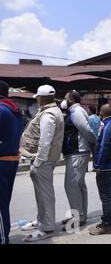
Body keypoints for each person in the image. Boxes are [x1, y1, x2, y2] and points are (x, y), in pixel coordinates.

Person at [21, 85, 64, 242]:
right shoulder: (51, 111)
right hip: (45, 160)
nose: (37, 99)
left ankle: (47, 228)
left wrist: (38, 161)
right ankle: (42, 221)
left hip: (44, 160)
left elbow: (45, 141)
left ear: (42, 98)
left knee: (44, 194)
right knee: (43, 194)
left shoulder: (48, 115)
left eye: (38, 97)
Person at [61, 90, 97, 229]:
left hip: (78, 151)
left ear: (71, 99)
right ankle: (80, 215)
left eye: (66, 97)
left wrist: (92, 142)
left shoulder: (76, 112)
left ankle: (78, 218)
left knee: (72, 185)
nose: (64, 100)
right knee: (78, 185)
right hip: (77, 152)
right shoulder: (74, 111)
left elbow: (86, 130)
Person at [89, 104, 111, 235]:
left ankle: (107, 224)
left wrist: (98, 165)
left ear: (102, 114)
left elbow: (104, 148)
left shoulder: (108, 127)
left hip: (106, 167)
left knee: (106, 196)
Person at [0, 80, 24, 244]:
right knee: (3, 202)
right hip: (11, 160)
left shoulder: (1, 110)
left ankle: (3, 238)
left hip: (1, 160)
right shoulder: (16, 111)